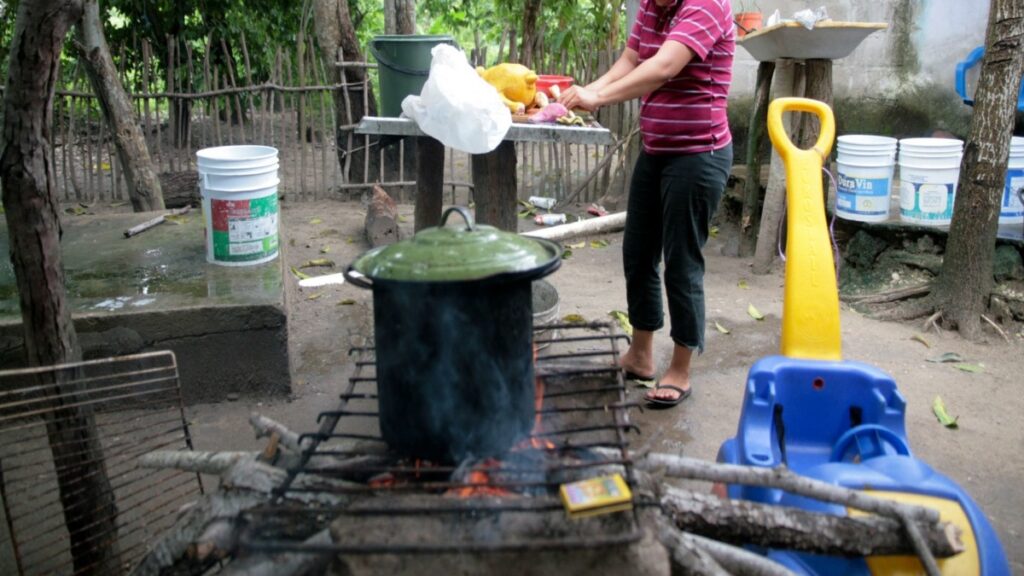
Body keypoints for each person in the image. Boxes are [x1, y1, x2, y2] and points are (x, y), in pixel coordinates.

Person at [559, 0, 734, 407]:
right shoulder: (655, 7)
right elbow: (632, 58)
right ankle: (640, 355)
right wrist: (590, 92)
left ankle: (680, 368)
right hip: (656, 150)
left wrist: (598, 99)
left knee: (682, 263)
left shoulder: (707, 4)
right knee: (638, 253)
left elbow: (662, 68)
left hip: (698, 155)